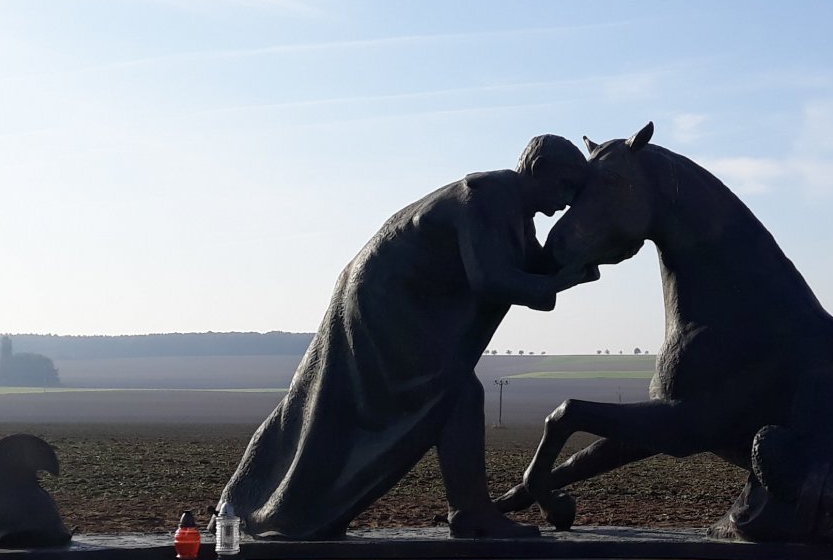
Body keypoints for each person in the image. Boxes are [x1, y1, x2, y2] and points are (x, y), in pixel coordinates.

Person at [217, 135, 595, 538]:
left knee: (334, 401)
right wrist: (558, 282)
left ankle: (259, 505)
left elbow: (531, 267)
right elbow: (491, 280)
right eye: (566, 186)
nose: (568, 200)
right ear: (538, 171)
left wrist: (583, 254)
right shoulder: (489, 196)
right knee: (454, 391)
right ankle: (471, 514)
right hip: (386, 301)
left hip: (382, 295)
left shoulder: (514, 212)